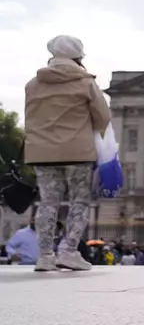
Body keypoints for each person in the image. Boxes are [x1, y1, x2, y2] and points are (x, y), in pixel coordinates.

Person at [24, 35, 111, 272]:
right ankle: (69, 251)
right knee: (79, 202)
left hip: (41, 152)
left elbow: (30, 117)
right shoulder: (86, 83)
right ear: (78, 56)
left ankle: (44, 256)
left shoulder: (33, 84)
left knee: (47, 203)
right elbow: (103, 118)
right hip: (77, 151)